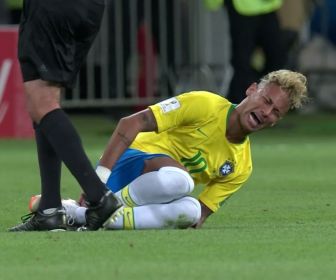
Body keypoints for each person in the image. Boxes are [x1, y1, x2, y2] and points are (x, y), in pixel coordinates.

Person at [29, 69, 307, 230]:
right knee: (181, 181)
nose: (266, 112)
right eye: (266, 100)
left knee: (189, 209)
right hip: (128, 163)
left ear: (277, 121)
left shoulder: (241, 167)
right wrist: (97, 184)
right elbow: (131, 123)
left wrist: (181, 217)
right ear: (251, 90)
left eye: (275, 111)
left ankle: (81, 215)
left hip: (156, 190)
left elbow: (200, 215)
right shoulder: (206, 104)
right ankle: (97, 206)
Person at [9, 0, 122, 232]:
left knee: (43, 103)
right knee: (42, 102)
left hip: (52, 7)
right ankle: (49, 210)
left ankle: (99, 197)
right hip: (88, 9)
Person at [225, 0, 286, 104]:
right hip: (241, 7)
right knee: (242, 61)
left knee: (277, 55)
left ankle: (263, 97)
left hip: (267, 6)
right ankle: (238, 105)